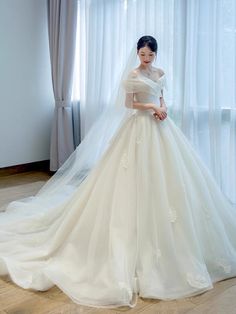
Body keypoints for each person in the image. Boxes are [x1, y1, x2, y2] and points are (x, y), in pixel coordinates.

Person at [0, 35, 236, 309]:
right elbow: (129, 105)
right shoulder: (133, 75)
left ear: (156, 55)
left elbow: (162, 96)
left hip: (161, 129)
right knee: (130, 180)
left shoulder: (160, 73)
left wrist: (163, 110)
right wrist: (150, 107)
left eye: (149, 55)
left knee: (170, 181)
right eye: (142, 54)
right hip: (138, 129)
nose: (145, 59)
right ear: (137, 53)